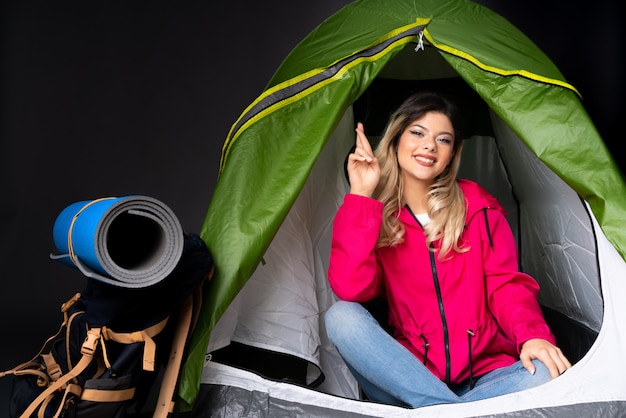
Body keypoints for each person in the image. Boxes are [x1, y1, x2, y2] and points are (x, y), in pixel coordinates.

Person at [324, 91, 572, 408]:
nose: (429, 146)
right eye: (417, 133)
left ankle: (433, 410)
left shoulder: (478, 206)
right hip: (410, 375)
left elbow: (505, 284)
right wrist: (361, 195)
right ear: (396, 139)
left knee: (545, 373)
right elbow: (351, 288)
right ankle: (452, 409)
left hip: (486, 374)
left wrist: (532, 335)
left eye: (443, 139)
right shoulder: (378, 216)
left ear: (452, 152)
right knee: (341, 316)